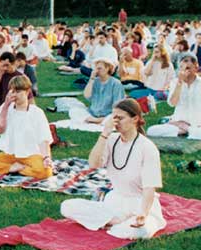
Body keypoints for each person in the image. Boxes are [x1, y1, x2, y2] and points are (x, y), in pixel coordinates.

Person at [60, 98, 166, 239]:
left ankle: (116, 224)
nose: (115, 123)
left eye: (120, 118)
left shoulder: (147, 147)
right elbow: (93, 164)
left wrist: (143, 214)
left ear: (135, 119)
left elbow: (149, 188)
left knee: (142, 231)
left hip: (139, 203)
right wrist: (105, 134)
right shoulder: (111, 140)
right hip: (115, 202)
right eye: (113, 118)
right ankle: (118, 222)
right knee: (66, 206)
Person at [0, 75, 53, 178]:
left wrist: (46, 158)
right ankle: (11, 168)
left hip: (31, 156)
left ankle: (21, 169)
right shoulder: (6, 108)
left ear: (27, 92)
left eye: (18, 91)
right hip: (9, 156)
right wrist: (6, 105)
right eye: (12, 91)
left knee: (46, 172)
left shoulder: (37, 113)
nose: (15, 95)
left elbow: (43, 139)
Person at [146, 56, 201, 140]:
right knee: (151, 131)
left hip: (199, 125)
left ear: (196, 68)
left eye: (188, 68)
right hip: (177, 123)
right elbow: (172, 103)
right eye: (181, 68)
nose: (184, 71)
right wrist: (179, 83)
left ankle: (186, 129)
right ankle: (188, 131)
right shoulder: (175, 82)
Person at [55, 59, 126, 125]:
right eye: (96, 68)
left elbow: (117, 105)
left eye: (99, 68)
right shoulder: (95, 81)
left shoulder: (116, 83)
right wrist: (91, 79)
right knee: (74, 111)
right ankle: (94, 120)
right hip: (92, 113)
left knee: (115, 118)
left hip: (108, 115)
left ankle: (99, 120)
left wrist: (110, 116)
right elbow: (86, 95)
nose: (97, 71)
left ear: (107, 69)